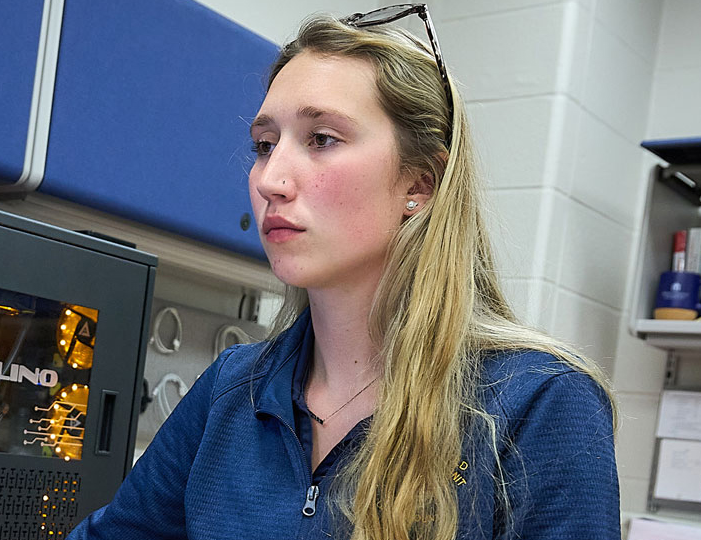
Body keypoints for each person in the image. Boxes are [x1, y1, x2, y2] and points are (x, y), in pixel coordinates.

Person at [68, 6, 618, 540]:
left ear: (419, 184)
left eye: (321, 139)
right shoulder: (234, 390)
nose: (270, 179)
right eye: (264, 145)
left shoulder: (537, 404)